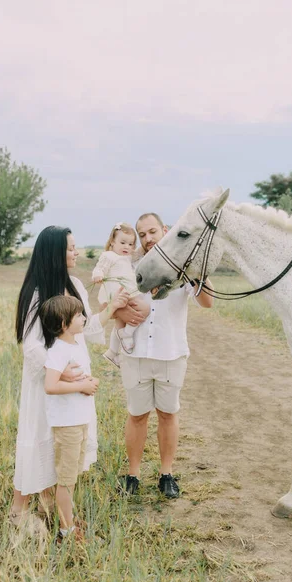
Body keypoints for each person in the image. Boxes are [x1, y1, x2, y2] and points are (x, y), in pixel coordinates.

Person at [10, 225, 127, 531]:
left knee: (63, 440)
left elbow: (87, 328)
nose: (76, 252)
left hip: (73, 383)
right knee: (39, 436)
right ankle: (18, 509)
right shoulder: (36, 293)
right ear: (54, 253)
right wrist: (62, 372)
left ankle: (52, 504)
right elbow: (32, 345)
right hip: (47, 383)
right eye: (71, 248)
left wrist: (112, 309)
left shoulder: (74, 284)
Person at [117, 212, 213, 499]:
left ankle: (166, 474)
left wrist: (197, 273)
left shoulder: (183, 269)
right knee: (137, 415)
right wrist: (121, 311)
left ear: (165, 231)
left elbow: (207, 303)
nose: (147, 239)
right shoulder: (130, 266)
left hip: (171, 353)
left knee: (168, 414)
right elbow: (114, 302)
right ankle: (132, 475)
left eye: (152, 232)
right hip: (136, 354)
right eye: (142, 234)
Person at [40, 295, 100, 542]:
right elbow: (50, 386)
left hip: (79, 420)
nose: (84, 318)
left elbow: (84, 378)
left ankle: (69, 519)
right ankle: (67, 531)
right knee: (66, 480)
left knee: (72, 476)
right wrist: (81, 387)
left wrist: (90, 382)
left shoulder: (75, 346)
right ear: (64, 324)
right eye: (78, 315)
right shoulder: (58, 351)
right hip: (67, 425)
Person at [92, 222, 150, 366]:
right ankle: (127, 333)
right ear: (112, 241)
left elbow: (140, 251)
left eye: (131, 244)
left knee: (120, 322)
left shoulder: (128, 256)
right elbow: (99, 268)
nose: (127, 247)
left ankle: (112, 352)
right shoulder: (109, 256)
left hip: (125, 292)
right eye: (123, 243)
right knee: (145, 309)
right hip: (118, 293)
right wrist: (97, 275)